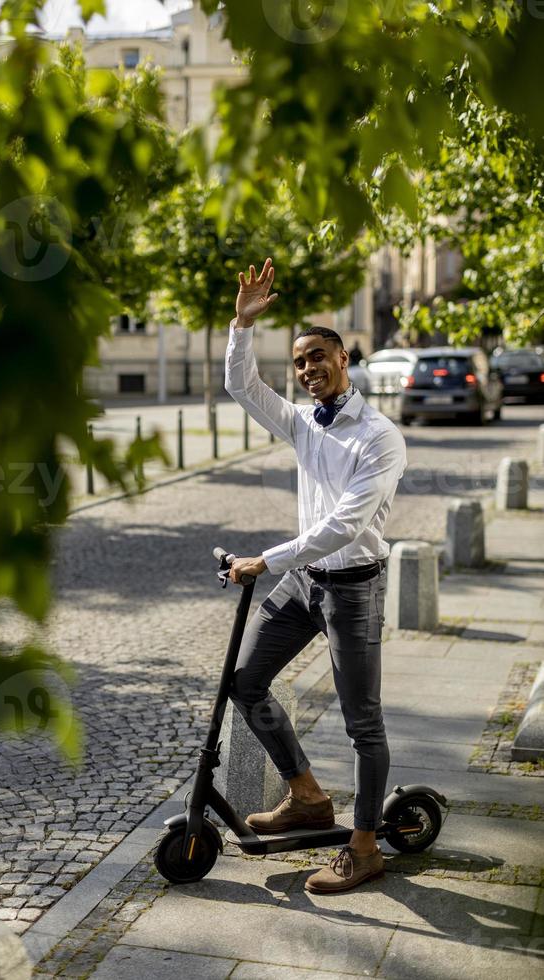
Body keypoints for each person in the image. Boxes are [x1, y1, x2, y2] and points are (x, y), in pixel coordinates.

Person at [223, 258, 407, 894]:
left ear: (344, 359)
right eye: (299, 362)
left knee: (363, 723)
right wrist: (242, 325)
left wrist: (265, 560)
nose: (307, 369)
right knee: (245, 682)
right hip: (306, 583)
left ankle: (363, 847)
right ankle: (305, 794)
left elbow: (345, 528)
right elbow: (243, 389)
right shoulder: (302, 422)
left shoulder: (379, 438)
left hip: (352, 587)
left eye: (318, 357)